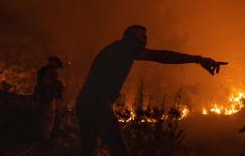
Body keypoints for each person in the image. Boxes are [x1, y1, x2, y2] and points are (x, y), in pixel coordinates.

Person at [75, 25, 228, 156]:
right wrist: (198, 59)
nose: (145, 41)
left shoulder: (111, 49)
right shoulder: (127, 46)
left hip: (83, 102)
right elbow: (162, 56)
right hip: (97, 105)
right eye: (142, 37)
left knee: (89, 151)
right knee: (119, 151)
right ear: (131, 37)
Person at [35, 55, 64, 147]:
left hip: (42, 97)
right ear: (54, 62)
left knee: (43, 118)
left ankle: (42, 138)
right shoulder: (51, 71)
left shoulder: (43, 71)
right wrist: (60, 87)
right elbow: (53, 84)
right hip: (48, 98)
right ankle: (45, 140)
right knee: (48, 118)